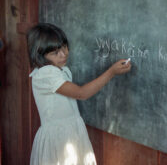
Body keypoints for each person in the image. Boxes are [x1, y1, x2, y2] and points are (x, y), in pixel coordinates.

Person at [27, 23, 131, 165]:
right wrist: (111, 72)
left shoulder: (59, 70)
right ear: (40, 55)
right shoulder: (46, 74)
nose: (63, 54)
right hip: (59, 139)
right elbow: (81, 94)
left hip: (71, 132)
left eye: (64, 47)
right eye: (55, 53)